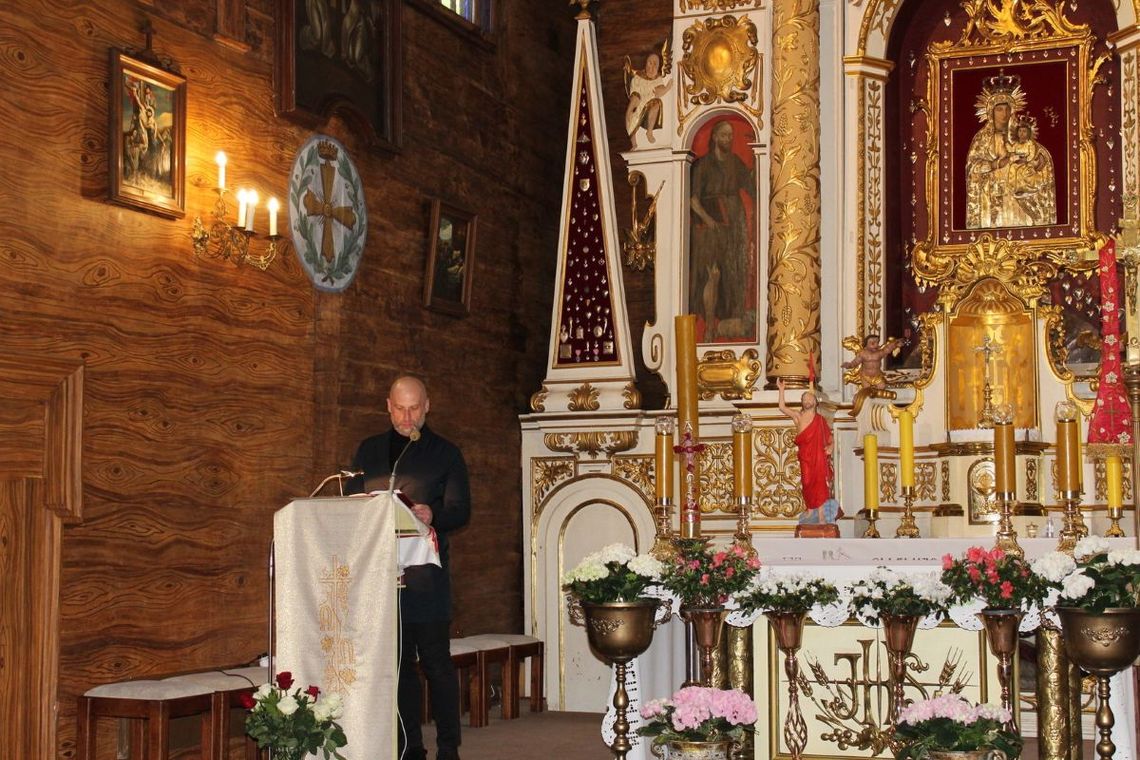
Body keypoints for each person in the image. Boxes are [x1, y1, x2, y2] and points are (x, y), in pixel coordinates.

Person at [346, 376, 470, 760]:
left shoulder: (445, 453)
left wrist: (432, 513)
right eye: (400, 408)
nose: (406, 416)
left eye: (414, 408)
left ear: (427, 406)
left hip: (425, 580)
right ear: (388, 406)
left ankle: (448, 748)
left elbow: (460, 511)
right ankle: (409, 746)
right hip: (381, 578)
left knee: (435, 664)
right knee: (397, 667)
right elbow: (350, 501)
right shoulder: (368, 450)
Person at [689, 119, 755, 342]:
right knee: (712, 275)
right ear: (714, 137)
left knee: (733, 276)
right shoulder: (703, 165)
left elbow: (752, 186)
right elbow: (693, 200)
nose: (728, 139)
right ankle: (708, 325)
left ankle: (725, 325)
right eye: (724, 135)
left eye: (730, 136)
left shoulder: (735, 163)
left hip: (733, 227)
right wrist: (708, 220)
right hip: (709, 228)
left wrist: (759, 162)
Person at [965, 73, 1055, 229]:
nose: (1004, 114)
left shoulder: (1021, 135)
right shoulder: (982, 139)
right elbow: (973, 167)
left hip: (1018, 195)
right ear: (991, 112)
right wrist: (995, 164)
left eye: (1007, 109)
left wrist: (1037, 164)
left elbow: (1037, 155)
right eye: (999, 109)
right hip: (993, 196)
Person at [777, 378, 839, 524]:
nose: (807, 401)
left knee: (820, 483)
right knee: (806, 481)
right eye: (804, 399)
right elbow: (782, 407)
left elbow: (830, 438)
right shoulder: (798, 416)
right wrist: (781, 389)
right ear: (802, 402)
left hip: (818, 456)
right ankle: (810, 509)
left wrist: (831, 447)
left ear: (815, 402)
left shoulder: (820, 420)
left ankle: (822, 515)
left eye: (810, 398)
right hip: (805, 455)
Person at [624, 52, 671, 145]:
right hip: (638, 102)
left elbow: (659, 91)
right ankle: (633, 142)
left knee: (657, 103)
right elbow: (634, 92)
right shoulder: (638, 77)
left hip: (649, 104)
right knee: (632, 110)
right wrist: (635, 99)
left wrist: (667, 88)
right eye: (650, 62)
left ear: (658, 67)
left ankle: (649, 131)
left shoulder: (658, 78)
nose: (652, 66)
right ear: (645, 63)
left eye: (655, 64)